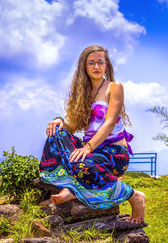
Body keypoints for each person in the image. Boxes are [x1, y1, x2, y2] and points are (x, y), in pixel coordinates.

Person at [40, 45, 145, 224]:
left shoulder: (114, 87)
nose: (96, 67)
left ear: (106, 65)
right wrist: (60, 121)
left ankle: (134, 195)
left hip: (113, 153)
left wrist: (88, 147)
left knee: (81, 163)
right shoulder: (81, 93)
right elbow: (72, 125)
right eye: (91, 63)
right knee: (57, 134)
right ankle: (73, 187)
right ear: (84, 67)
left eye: (100, 62)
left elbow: (110, 123)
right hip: (90, 153)